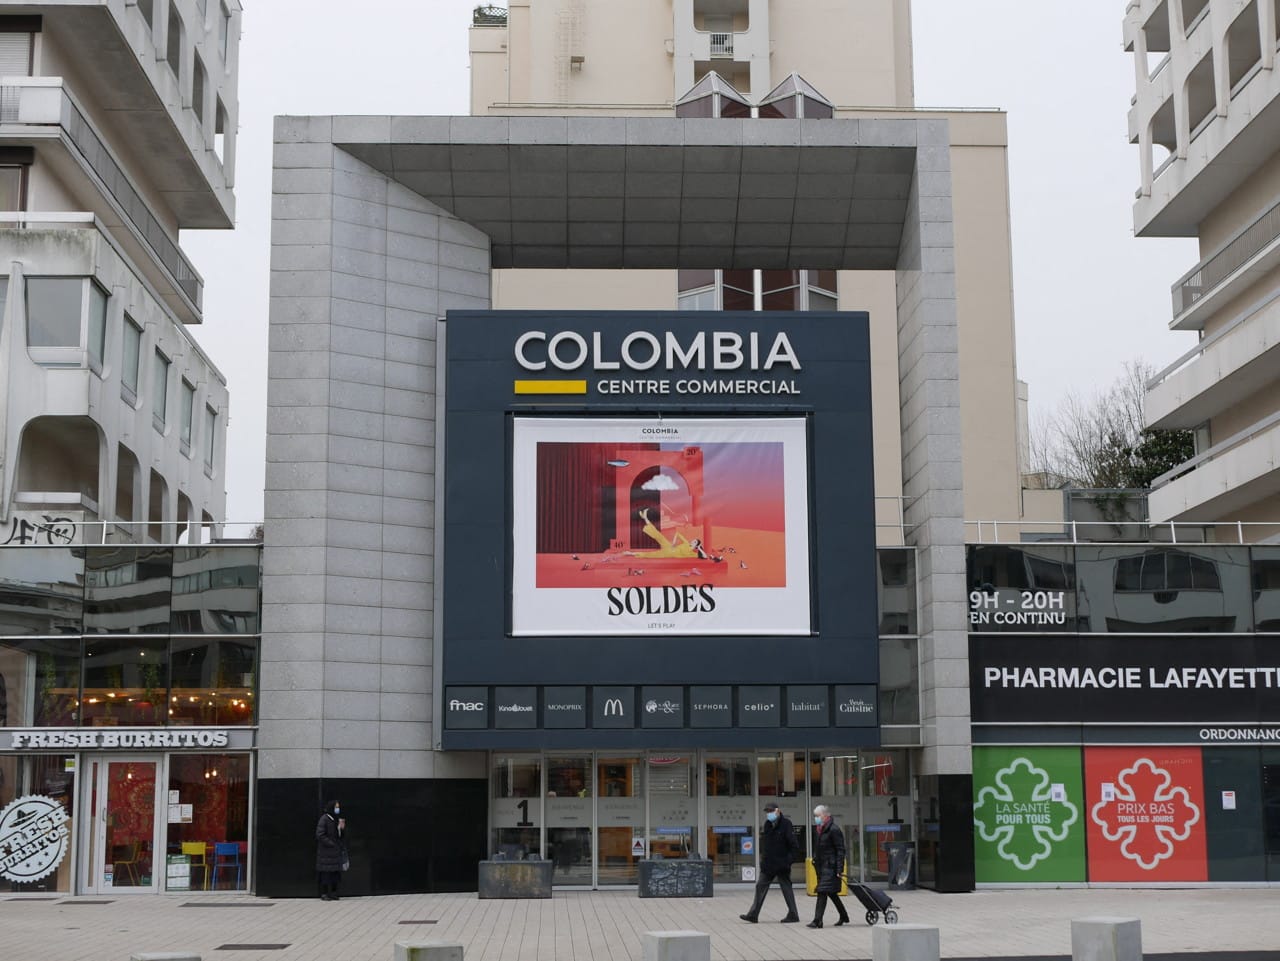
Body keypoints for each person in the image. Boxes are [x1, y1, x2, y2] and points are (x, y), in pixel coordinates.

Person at [739, 802, 800, 924]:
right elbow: (766, 845)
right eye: (767, 811)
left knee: (786, 888)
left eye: (771, 811)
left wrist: (788, 861)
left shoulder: (786, 824)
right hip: (769, 864)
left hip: (782, 864)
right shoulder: (767, 824)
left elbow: (794, 845)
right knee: (760, 886)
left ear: (777, 811)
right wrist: (764, 861)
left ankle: (793, 914)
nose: (769, 814)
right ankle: (753, 914)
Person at [808, 804, 850, 928]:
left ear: (826, 816)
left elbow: (840, 850)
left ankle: (817, 920)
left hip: (831, 867)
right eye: (815, 816)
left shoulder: (834, 830)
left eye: (818, 816)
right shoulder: (819, 830)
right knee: (831, 893)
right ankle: (844, 916)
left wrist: (839, 869)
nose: (816, 818)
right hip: (822, 867)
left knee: (822, 891)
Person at [315, 799, 347, 901]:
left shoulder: (336, 819)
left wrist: (341, 829)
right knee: (326, 874)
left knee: (335, 874)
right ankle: (324, 893)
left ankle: (334, 893)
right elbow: (320, 835)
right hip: (326, 852)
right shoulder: (324, 819)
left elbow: (340, 835)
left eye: (338, 807)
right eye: (336, 807)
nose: (338, 809)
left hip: (336, 852)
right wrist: (331, 843)